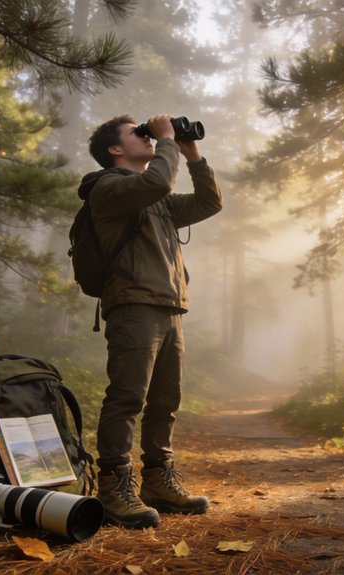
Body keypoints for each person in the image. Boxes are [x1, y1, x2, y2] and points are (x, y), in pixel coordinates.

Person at [80, 114, 222, 528]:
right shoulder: (108, 187)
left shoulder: (154, 197)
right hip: (133, 304)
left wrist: (191, 153)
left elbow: (209, 203)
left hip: (169, 304)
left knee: (165, 402)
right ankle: (114, 488)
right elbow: (157, 182)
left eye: (149, 134)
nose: (149, 138)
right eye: (137, 134)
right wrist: (165, 142)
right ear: (115, 150)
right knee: (127, 398)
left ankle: (159, 482)